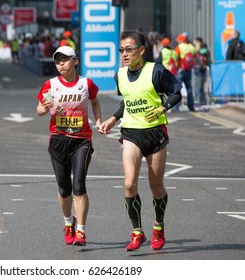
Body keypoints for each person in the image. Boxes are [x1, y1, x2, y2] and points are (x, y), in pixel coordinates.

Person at [99, 30, 182, 251]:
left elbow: (176, 93)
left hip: (155, 132)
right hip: (131, 133)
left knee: (156, 187)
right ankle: (137, 232)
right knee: (129, 184)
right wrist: (113, 119)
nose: (124, 54)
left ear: (141, 50)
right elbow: (128, 101)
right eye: (121, 50)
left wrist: (161, 108)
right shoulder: (120, 75)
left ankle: (158, 226)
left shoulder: (156, 71)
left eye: (129, 49)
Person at [36, 46, 102, 246]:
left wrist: (98, 120)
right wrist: (44, 108)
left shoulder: (85, 83)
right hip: (58, 140)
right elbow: (39, 109)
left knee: (79, 187)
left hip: (82, 140)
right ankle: (68, 222)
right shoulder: (51, 85)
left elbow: (95, 102)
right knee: (64, 189)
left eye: (65, 60)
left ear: (75, 61)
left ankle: (81, 231)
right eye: (58, 61)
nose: (61, 64)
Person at [175, 33, 196, 112]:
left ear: (181, 40)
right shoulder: (191, 47)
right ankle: (191, 106)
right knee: (189, 88)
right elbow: (194, 57)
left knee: (177, 88)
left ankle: (176, 106)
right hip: (189, 70)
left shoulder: (179, 47)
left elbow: (175, 58)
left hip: (181, 70)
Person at [193, 37, 211, 106]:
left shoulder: (199, 51)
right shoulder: (206, 50)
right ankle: (202, 101)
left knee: (198, 86)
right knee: (202, 86)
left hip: (198, 68)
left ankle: (198, 101)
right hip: (204, 69)